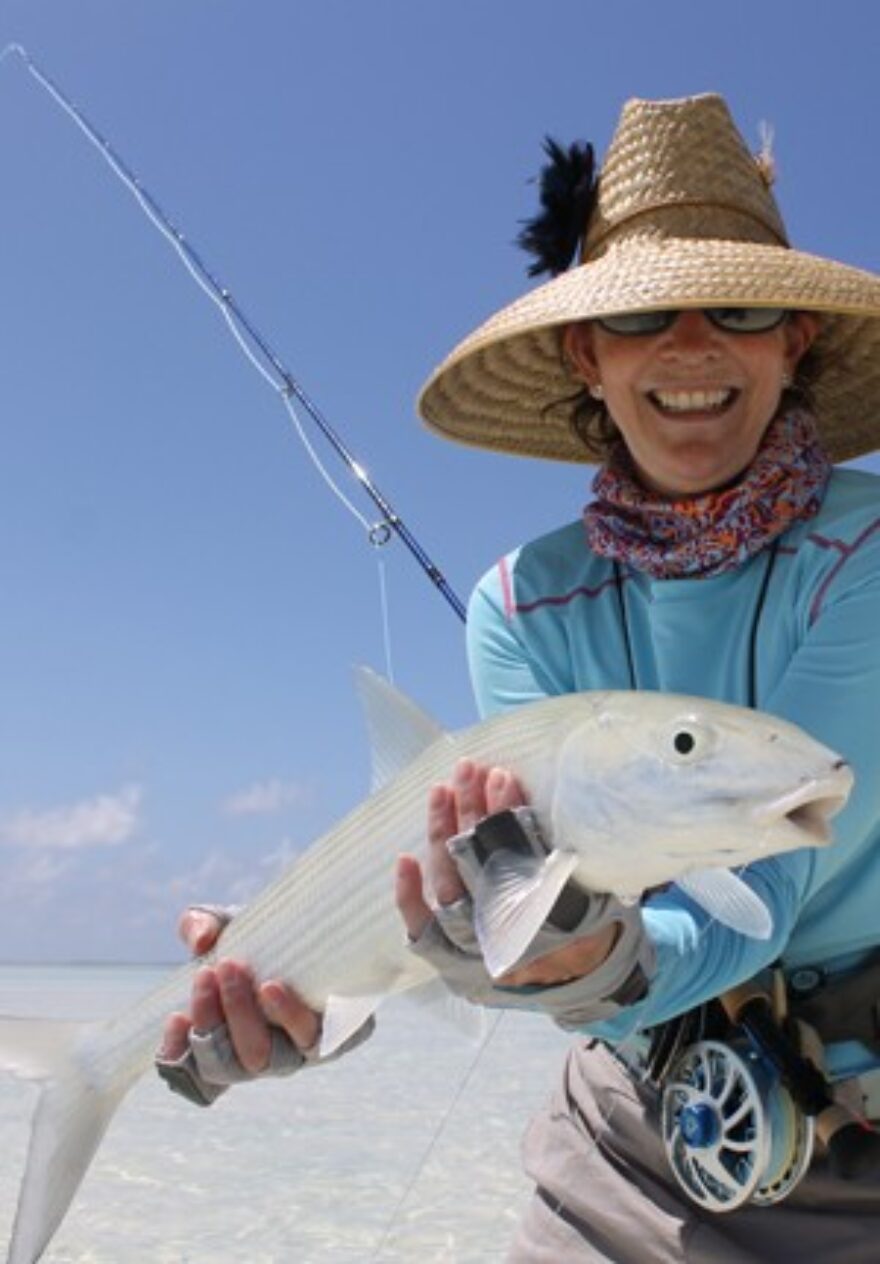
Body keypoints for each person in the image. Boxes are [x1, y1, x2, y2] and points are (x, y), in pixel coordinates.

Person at [158, 93, 880, 1261]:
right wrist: (315, 996)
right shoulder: (516, 603)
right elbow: (510, 899)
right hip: (621, 1144)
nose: (689, 344)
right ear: (585, 354)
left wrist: (590, 960)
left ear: (791, 337)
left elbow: (761, 892)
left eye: (735, 306)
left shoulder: (869, 553)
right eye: (641, 312)